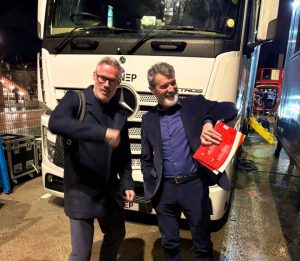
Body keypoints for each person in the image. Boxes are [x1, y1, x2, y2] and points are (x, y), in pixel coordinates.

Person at [141, 62, 238, 261]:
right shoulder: (148, 119)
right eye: (164, 86)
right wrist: (150, 183)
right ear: (152, 90)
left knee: (202, 244)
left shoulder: (194, 105)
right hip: (164, 191)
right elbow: (146, 158)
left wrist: (207, 122)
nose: (171, 89)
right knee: (169, 245)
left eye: (173, 83)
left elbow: (231, 108)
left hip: (193, 186)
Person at [48, 57, 135, 261]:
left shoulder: (119, 112)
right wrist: (102, 133)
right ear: (94, 76)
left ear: (118, 83)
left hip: (109, 189)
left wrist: (127, 183)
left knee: (116, 234)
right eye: (102, 78)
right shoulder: (76, 99)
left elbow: (123, 154)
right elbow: (56, 122)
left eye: (112, 81)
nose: (106, 84)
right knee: (81, 253)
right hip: (81, 188)